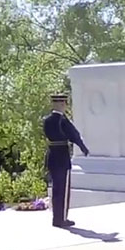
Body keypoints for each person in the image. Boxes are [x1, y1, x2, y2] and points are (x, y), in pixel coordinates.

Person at [43, 93, 89, 228]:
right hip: (62, 156)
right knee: (63, 190)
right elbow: (74, 135)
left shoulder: (47, 120)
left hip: (51, 155)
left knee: (56, 189)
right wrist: (83, 147)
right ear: (63, 104)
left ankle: (56, 218)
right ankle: (61, 219)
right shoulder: (62, 120)